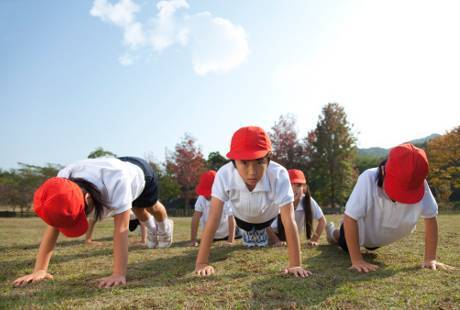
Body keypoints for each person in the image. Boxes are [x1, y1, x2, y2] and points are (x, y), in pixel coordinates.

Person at [13, 156, 174, 288]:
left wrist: (118, 273)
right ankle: (152, 231)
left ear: (87, 198)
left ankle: (165, 227)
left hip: (140, 173)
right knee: (139, 212)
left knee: (148, 208)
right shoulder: (61, 181)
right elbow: (54, 226)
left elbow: (122, 228)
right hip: (111, 166)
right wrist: (40, 270)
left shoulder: (117, 181)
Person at [194, 126, 312, 278]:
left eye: (259, 162)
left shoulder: (279, 174)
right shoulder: (224, 174)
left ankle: (256, 235)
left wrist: (295, 264)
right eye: (244, 162)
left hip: (267, 220)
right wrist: (201, 262)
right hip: (241, 220)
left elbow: (289, 220)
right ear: (233, 162)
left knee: (260, 233)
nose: (252, 171)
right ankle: (248, 234)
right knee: (248, 233)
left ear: (269, 158)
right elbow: (214, 217)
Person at [326, 144, 455, 273]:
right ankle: (332, 232)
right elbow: (350, 218)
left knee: (371, 248)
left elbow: (431, 217)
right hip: (361, 229)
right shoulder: (368, 178)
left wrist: (430, 258)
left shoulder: (421, 184)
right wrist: (357, 260)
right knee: (343, 242)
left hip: (381, 237)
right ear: (383, 170)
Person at [268, 169, 326, 248]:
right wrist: (276, 241)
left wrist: (314, 240)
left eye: (298, 185)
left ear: (304, 188)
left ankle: (331, 230)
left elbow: (322, 221)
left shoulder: (307, 200)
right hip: (267, 236)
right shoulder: (278, 199)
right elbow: (266, 225)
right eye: (290, 185)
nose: (294, 189)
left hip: (287, 239)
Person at [190, 170, 237, 246]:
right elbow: (196, 218)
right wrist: (193, 240)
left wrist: (230, 240)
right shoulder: (201, 198)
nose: (206, 195)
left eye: (208, 193)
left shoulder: (225, 198)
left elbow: (231, 218)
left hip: (226, 233)